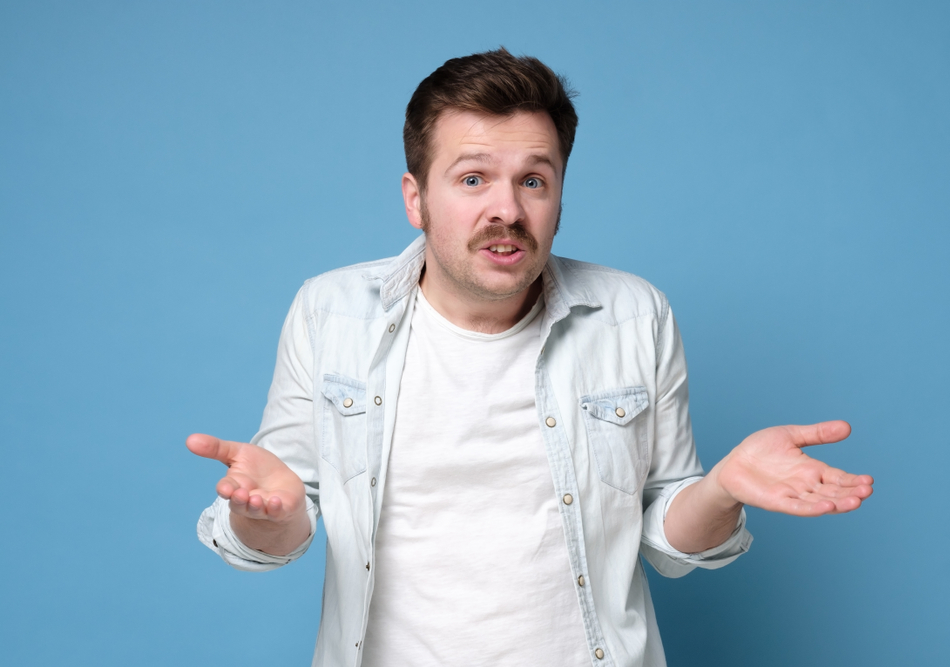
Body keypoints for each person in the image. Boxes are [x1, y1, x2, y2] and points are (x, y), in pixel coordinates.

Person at [187, 48, 873, 667]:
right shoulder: (330, 313)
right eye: (473, 179)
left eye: (534, 181)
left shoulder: (634, 315)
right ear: (416, 198)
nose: (507, 210)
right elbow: (281, 517)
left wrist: (720, 488)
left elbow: (667, 541)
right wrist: (263, 515)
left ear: (559, 195)